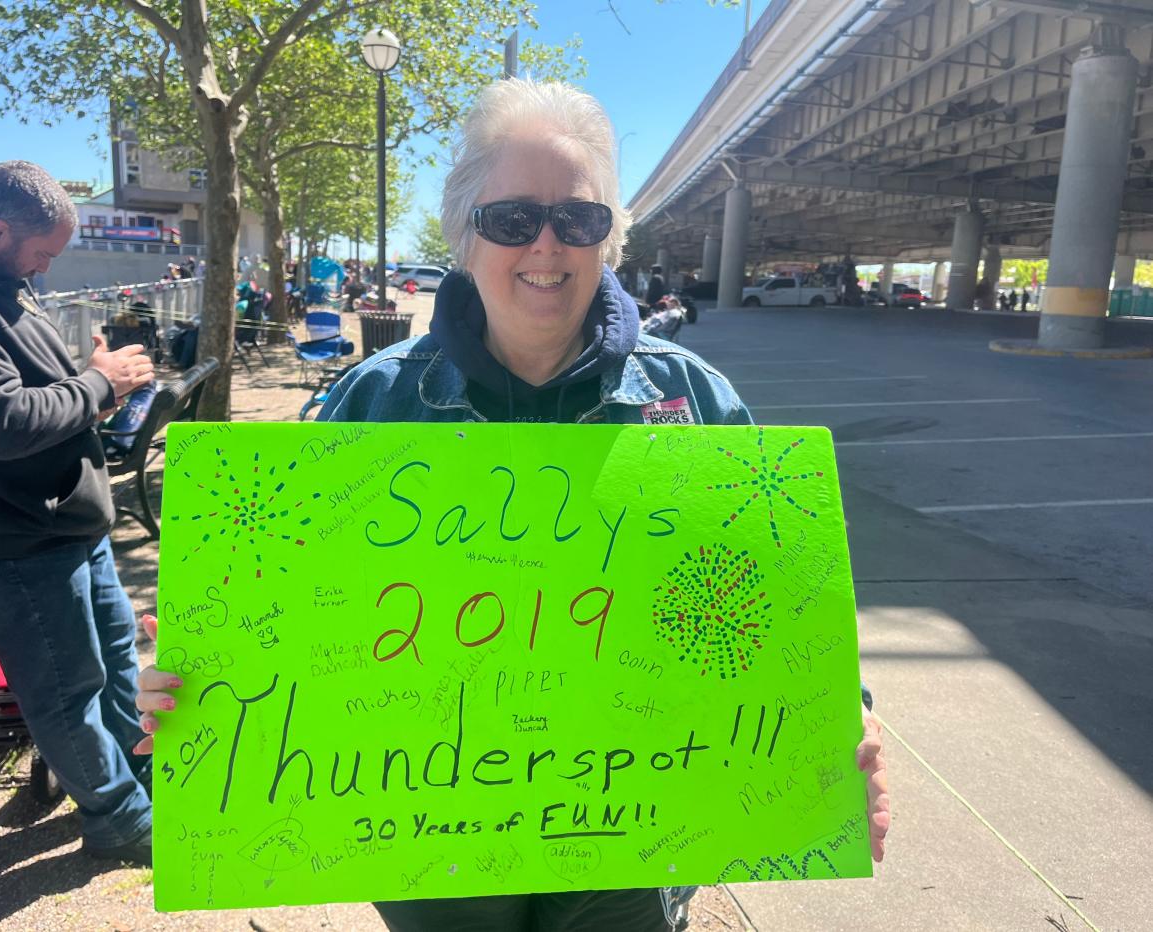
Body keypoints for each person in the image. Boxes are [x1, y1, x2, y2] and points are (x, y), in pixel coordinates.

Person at [134, 81, 889, 928]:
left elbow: (780, 602)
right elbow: (278, 617)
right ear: (464, 236)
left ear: (609, 237)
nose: (547, 245)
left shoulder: (693, 400)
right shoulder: (375, 403)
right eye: (511, 220)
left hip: (634, 833)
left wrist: (835, 723)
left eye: (579, 219)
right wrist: (187, 683)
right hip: (422, 830)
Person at [0, 161, 155, 863]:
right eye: (42, 255)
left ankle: (138, 781)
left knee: (112, 668)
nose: (45, 271)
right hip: (15, 537)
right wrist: (98, 386)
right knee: (65, 690)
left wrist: (85, 375)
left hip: (65, 521)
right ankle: (120, 822)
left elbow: (23, 384)